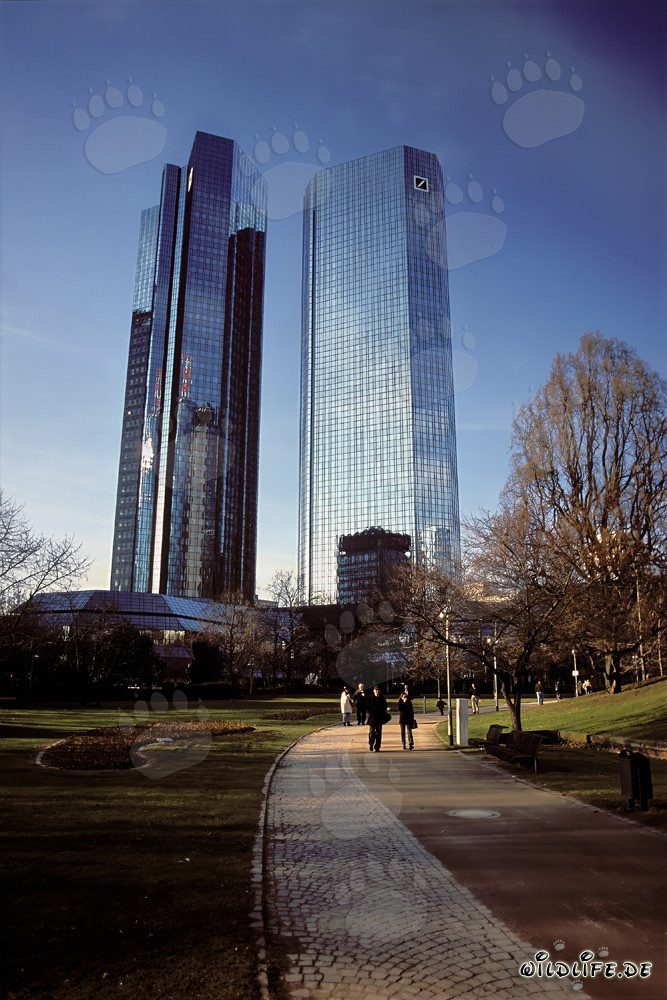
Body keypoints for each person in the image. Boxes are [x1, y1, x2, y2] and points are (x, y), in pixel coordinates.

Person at [366, 683, 389, 752]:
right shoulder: (370, 698)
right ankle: (371, 744)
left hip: (379, 718)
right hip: (372, 718)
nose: (377, 691)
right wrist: (371, 712)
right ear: (374, 691)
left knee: (378, 733)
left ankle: (377, 747)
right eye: (376, 690)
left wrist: (381, 711)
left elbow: (385, 706)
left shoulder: (382, 698)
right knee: (372, 732)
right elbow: (367, 707)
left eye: (378, 690)